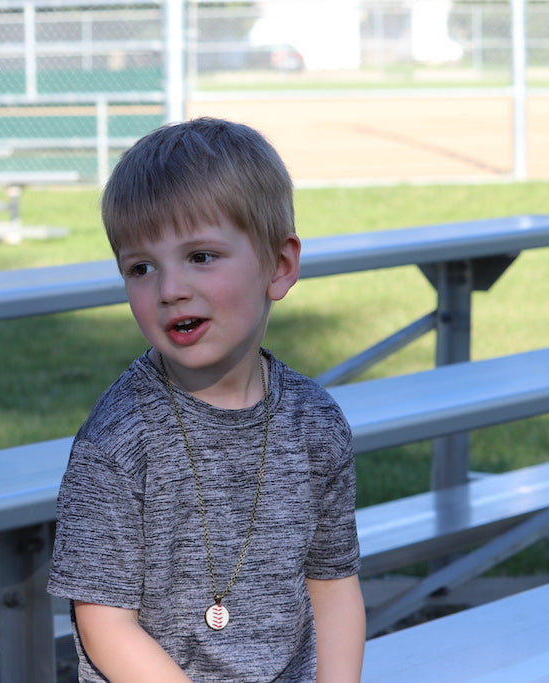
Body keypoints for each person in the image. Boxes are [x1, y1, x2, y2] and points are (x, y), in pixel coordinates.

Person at [48, 117, 367, 681]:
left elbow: (334, 583)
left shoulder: (315, 425)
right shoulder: (118, 443)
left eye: (200, 256)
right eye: (141, 268)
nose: (170, 289)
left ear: (280, 265)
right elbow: (104, 623)